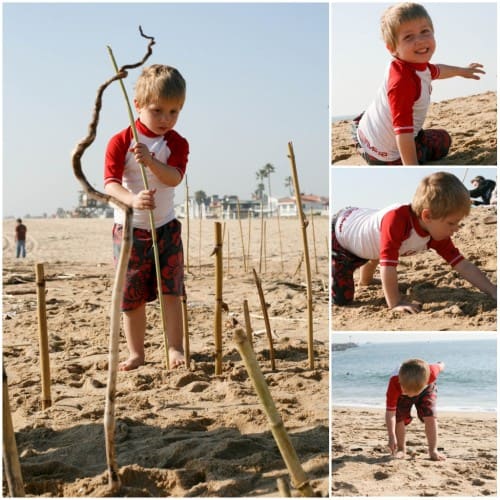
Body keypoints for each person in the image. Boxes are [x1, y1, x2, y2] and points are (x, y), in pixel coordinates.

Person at [104, 64, 189, 371]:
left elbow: (174, 178)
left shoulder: (176, 143)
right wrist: (132, 200)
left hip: (166, 228)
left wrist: (151, 161)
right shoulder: (120, 141)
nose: (166, 119)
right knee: (132, 296)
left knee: (172, 291)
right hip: (129, 231)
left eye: (174, 111)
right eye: (158, 111)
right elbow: (111, 184)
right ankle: (136, 353)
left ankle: (174, 347)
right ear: (137, 106)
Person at [332, 171, 497, 312]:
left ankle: (365, 281)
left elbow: (463, 265)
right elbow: (388, 265)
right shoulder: (397, 220)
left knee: (383, 246)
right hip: (342, 234)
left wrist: (492, 290)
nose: (456, 229)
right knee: (343, 299)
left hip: (369, 234)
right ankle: (359, 276)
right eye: (451, 223)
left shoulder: (436, 232)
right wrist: (395, 302)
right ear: (427, 216)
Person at [353, 3, 485, 165]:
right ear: (392, 48)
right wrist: (411, 168)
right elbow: (403, 134)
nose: (420, 40)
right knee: (443, 140)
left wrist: (462, 71)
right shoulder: (403, 82)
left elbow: (436, 70)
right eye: (409, 37)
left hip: (361, 135)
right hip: (384, 156)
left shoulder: (408, 65)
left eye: (424, 32)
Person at [386, 359, 446, 461]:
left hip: (425, 389)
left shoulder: (431, 372)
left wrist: (441, 364)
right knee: (399, 417)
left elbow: (440, 365)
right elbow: (390, 413)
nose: (411, 396)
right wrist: (391, 436)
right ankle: (401, 449)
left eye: (414, 393)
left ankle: (433, 450)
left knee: (430, 415)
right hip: (401, 395)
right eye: (407, 392)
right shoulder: (394, 384)